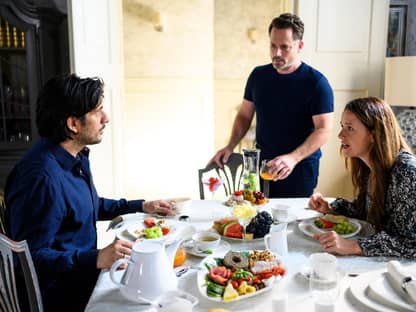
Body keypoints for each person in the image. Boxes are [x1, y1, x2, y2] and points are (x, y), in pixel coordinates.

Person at [4, 74, 175, 311]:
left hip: (82, 275)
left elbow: (87, 206)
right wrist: (96, 258)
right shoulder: (41, 179)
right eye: (97, 111)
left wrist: (141, 206)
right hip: (61, 295)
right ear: (73, 124)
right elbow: (32, 258)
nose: (106, 119)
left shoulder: (75, 156)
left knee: (164, 278)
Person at [208, 13, 334, 197]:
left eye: (285, 47)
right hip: (262, 166)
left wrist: (292, 158)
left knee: (292, 223)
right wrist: (230, 145)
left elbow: (324, 130)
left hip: (299, 168)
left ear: (299, 46)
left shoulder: (317, 83)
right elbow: (244, 115)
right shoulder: (258, 76)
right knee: (257, 217)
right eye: (273, 46)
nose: (277, 53)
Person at [309, 97, 416, 258]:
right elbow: (365, 211)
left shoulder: (407, 172)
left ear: (374, 135)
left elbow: (411, 243)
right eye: (342, 127)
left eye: (350, 128)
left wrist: (354, 246)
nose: (340, 135)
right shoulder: (369, 166)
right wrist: (330, 209)